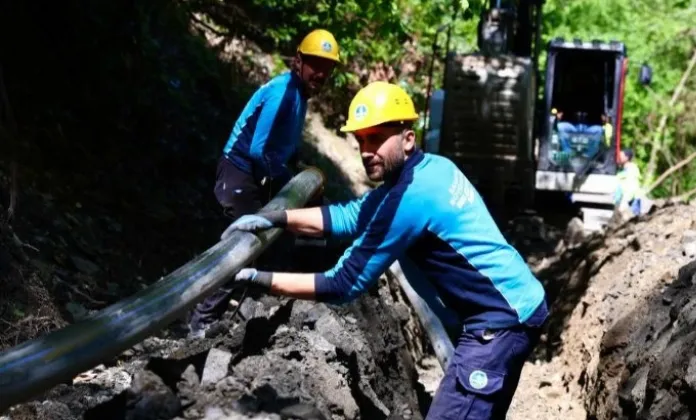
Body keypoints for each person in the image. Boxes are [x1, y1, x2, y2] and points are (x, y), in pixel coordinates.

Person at [220, 81, 549, 419]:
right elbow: (350, 217)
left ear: (407, 139)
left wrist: (257, 278)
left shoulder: (410, 199)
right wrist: (274, 218)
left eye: (376, 138)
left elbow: (342, 283)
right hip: (514, 304)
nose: (366, 150)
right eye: (360, 139)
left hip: (500, 321)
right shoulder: (432, 168)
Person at [188, 29, 341, 338]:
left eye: (328, 68)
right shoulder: (283, 92)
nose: (321, 73)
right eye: (315, 64)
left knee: (262, 246)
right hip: (239, 172)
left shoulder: (299, 96)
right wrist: (287, 181)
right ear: (298, 61)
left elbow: (285, 145)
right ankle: (200, 322)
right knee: (243, 247)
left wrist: (300, 171)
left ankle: (245, 311)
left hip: (254, 173)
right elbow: (260, 148)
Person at [614, 148, 643, 215]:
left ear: (627, 158)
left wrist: (625, 201)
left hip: (632, 198)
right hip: (629, 198)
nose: (619, 157)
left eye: (621, 156)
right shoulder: (624, 170)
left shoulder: (631, 169)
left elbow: (632, 187)